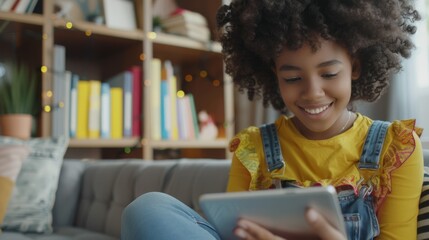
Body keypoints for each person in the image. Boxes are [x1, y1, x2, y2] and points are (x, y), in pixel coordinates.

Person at [121, 0, 424, 239]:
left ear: (355, 66)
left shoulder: (394, 149)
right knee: (148, 209)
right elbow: (232, 232)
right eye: (292, 77)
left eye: (329, 74)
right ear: (273, 75)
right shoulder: (254, 149)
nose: (312, 93)